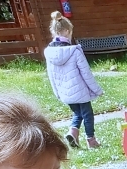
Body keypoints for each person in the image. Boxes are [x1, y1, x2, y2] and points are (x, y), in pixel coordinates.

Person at [44, 11, 104, 149]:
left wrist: (57, 93)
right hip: (80, 91)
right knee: (87, 114)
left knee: (77, 113)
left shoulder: (49, 53)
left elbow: (51, 75)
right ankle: (91, 140)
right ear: (66, 31)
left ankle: (73, 132)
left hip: (65, 93)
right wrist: (97, 90)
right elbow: (86, 74)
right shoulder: (75, 51)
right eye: (70, 32)